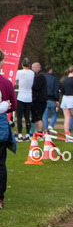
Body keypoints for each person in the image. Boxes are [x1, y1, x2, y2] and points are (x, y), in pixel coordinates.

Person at [0, 50, 15, 209]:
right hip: (1, 127)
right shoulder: (6, 83)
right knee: (0, 163)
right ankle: (0, 198)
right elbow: (13, 105)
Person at [14, 58, 33, 141]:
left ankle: (20, 134)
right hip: (29, 97)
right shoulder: (32, 73)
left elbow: (15, 81)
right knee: (27, 117)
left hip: (21, 96)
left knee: (19, 117)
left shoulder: (19, 72)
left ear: (22, 65)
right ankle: (28, 134)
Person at [43, 66, 60, 133]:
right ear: (51, 70)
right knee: (55, 114)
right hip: (52, 99)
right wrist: (57, 99)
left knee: (45, 116)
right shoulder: (54, 79)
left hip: (45, 99)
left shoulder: (43, 78)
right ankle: (51, 125)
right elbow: (56, 90)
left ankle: (46, 129)